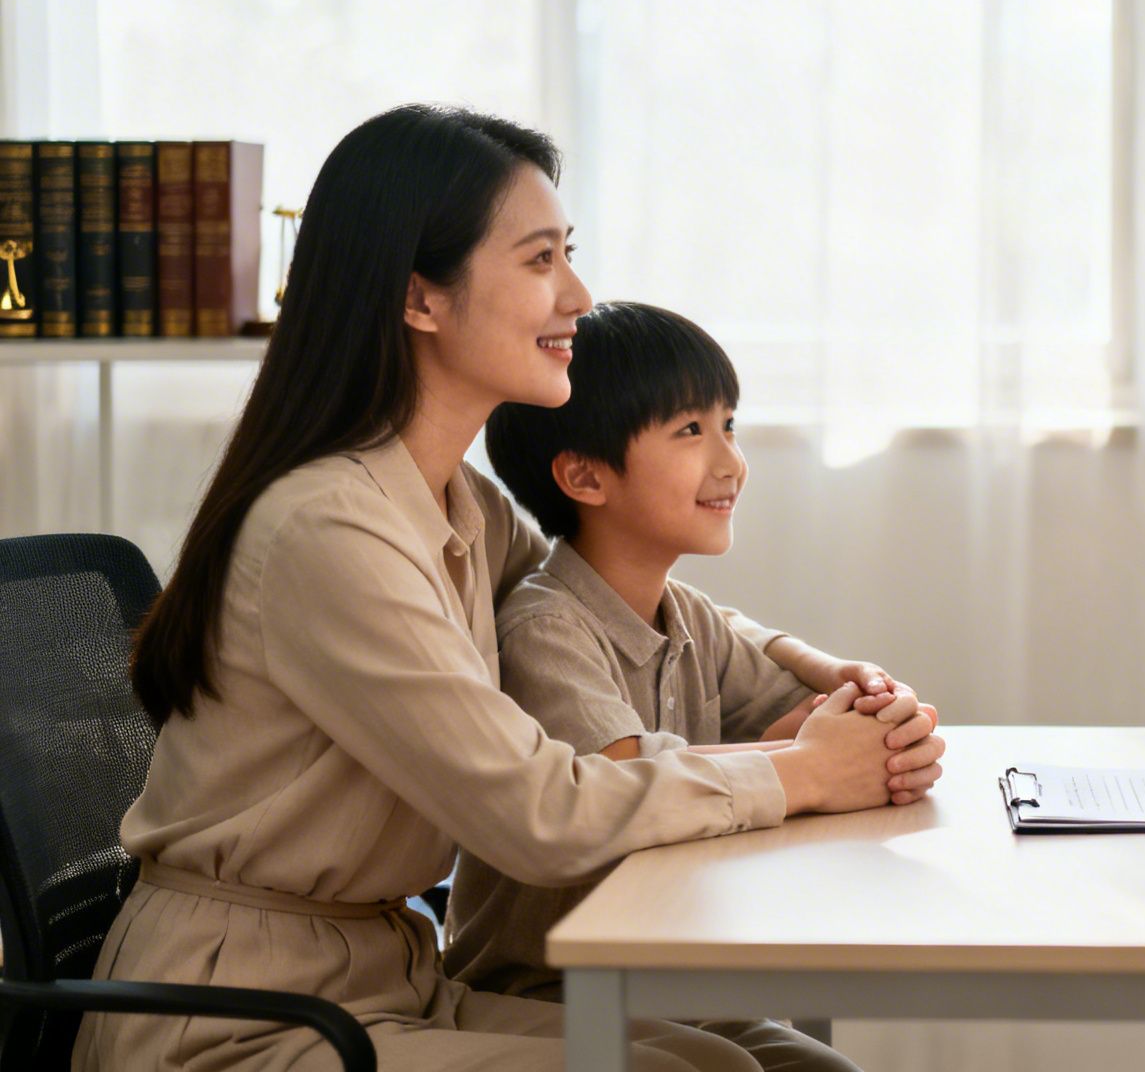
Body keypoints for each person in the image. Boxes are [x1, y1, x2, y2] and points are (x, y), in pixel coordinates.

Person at [77, 104, 942, 1072]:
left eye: (567, 253)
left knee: (763, 1065)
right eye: (539, 261)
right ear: (421, 299)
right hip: (237, 1019)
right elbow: (537, 812)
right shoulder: (329, 528)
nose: (575, 292)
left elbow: (592, 596)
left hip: (387, 979)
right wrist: (806, 771)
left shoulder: (457, 505)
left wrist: (810, 675)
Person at [442, 301, 942, 1069]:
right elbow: (631, 781)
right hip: (543, 985)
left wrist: (879, 728)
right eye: (690, 431)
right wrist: (819, 759)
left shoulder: (688, 618)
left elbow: (802, 728)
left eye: (729, 424)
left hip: (661, 974)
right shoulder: (549, 630)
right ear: (584, 474)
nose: (730, 461)